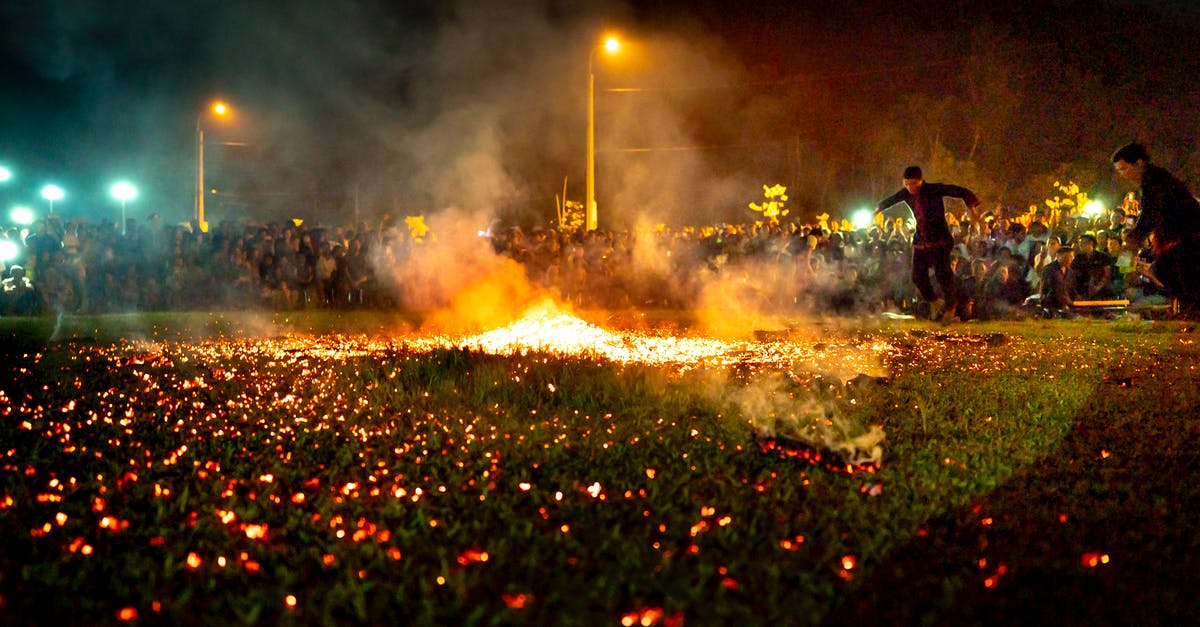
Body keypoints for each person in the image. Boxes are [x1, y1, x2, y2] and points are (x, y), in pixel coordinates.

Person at [875, 165, 981, 321]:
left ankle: (951, 307)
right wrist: (876, 210)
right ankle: (935, 301)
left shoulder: (934, 189)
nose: (911, 188)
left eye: (914, 184)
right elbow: (890, 201)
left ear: (921, 181)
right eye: (907, 184)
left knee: (943, 274)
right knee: (917, 276)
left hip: (940, 240)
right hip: (921, 242)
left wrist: (972, 209)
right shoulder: (905, 193)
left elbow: (960, 191)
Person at [1112, 142, 1200, 317]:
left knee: (1174, 272)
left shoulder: (1156, 181)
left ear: (1139, 163)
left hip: (1188, 238)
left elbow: (1150, 214)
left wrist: (1132, 242)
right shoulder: (1151, 181)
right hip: (1176, 240)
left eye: (1124, 169)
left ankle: (1192, 312)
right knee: (1166, 270)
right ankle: (1189, 311)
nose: (1122, 175)